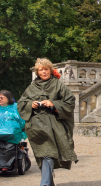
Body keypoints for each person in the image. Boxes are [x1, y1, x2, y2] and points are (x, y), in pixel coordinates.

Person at [18, 58, 78, 186]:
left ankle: (44, 184)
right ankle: (48, 183)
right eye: (41, 70)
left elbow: (70, 101)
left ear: (50, 70)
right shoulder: (32, 86)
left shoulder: (58, 85)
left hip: (53, 126)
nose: (44, 72)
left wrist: (53, 104)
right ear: (37, 72)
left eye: (46, 69)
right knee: (43, 154)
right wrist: (30, 104)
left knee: (48, 153)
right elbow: (21, 103)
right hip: (36, 127)